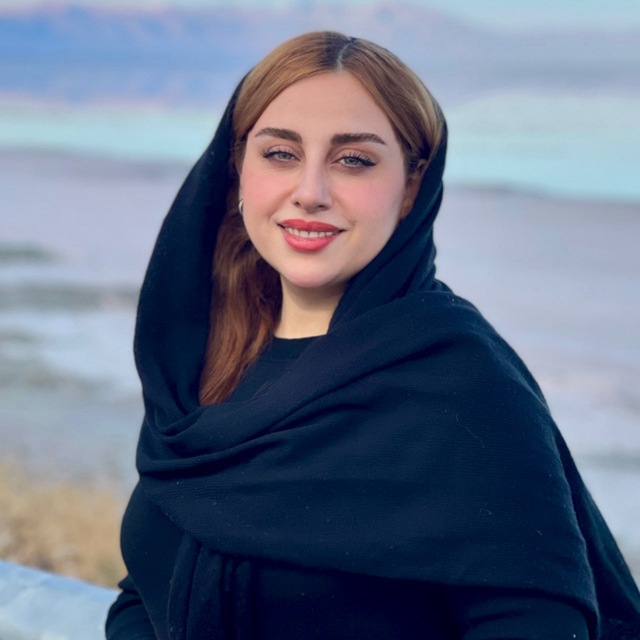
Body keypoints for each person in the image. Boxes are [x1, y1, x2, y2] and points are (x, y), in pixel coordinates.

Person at [105, 31, 640, 639]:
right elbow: (145, 589)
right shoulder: (208, 366)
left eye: (353, 160)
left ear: (412, 185)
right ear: (237, 170)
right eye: (280, 153)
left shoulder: (464, 385)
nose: (310, 192)